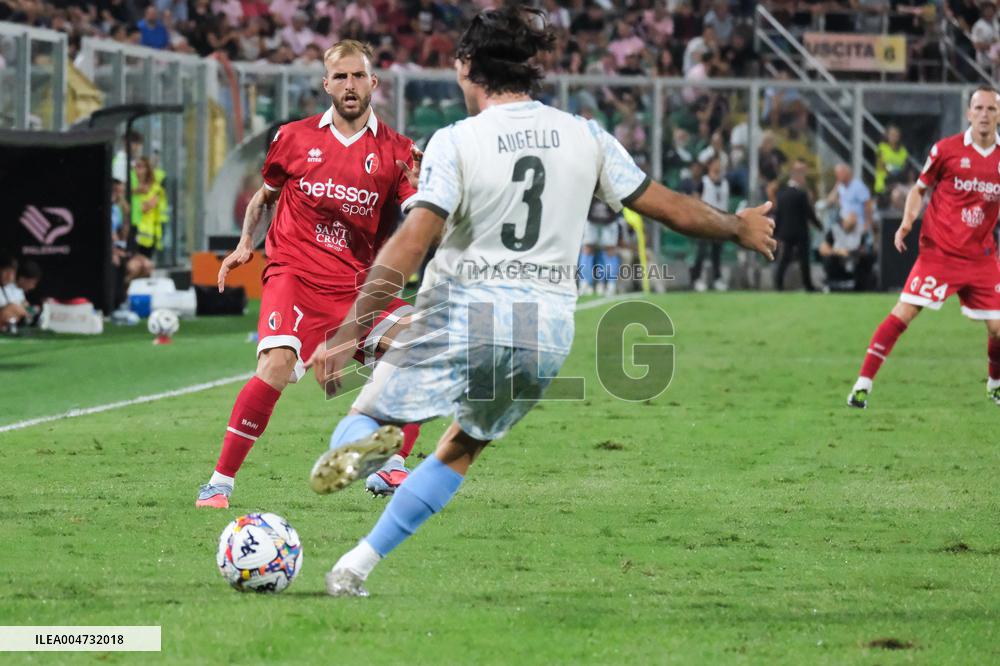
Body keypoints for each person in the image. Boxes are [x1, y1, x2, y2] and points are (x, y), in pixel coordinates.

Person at [306, 5, 776, 597]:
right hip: (544, 333)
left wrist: (354, 326)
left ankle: (368, 449)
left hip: (462, 310)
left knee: (368, 414)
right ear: (531, 68)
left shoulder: (456, 141)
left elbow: (413, 238)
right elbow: (666, 205)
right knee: (465, 443)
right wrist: (737, 227)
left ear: (467, 66)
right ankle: (356, 566)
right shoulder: (585, 135)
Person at [195, 39, 425, 508]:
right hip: (294, 276)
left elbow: (418, 211)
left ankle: (392, 465)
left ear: (373, 83)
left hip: (357, 284)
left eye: (358, 76)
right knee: (276, 367)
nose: (349, 85)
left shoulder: (398, 151)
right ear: (326, 85)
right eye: (340, 77)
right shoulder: (294, 138)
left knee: (419, 344)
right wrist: (244, 245)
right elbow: (264, 197)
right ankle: (220, 482)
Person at [847, 86, 1000, 408]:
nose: (984, 115)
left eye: (991, 109)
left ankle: (995, 383)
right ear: (968, 113)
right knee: (904, 312)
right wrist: (906, 222)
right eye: (979, 108)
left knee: (998, 329)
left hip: (980, 257)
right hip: (940, 254)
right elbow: (918, 190)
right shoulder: (946, 150)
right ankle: (862, 384)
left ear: (998, 115)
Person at [774, 159, 821, 291]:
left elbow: (779, 214)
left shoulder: (781, 194)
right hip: (800, 232)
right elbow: (808, 213)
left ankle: (778, 284)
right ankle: (808, 285)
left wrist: (776, 232)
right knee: (804, 261)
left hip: (786, 232)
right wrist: (818, 225)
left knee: (784, 259)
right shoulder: (801, 194)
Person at [690, 156, 729, 292]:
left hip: (720, 221)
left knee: (716, 253)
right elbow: (695, 199)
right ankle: (696, 278)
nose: (718, 166)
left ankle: (717, 278)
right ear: (710, 165)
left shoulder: (725, 183)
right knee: (702, 252)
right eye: (716, 163)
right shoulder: (704, 182)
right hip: (705, 221)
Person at [818, 211, 874, 291]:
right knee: (828, 259)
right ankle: (832, 282)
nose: (853, 226)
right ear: (844, 221)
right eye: (850, 224)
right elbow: (823, 249)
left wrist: (855, 253)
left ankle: (862, 284)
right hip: (837, 258)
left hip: (854, 259)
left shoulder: (860, 231)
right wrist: (837, 251)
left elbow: (864, 249)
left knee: (867, 258)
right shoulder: (834, 230)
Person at [579, 199, 622, 296]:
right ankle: (585, 284)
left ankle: (610, 285)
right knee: (587, 249)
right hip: (591, 220)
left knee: (610, 251)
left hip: (609, 220)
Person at [132, 157, 168, 260]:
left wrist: (135, 197)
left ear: (147, 170)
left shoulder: (155, 189)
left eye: (140, 167)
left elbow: (145, 207)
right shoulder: (132, 188)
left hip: (146, 235)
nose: (137, 170)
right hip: (131, 233)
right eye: (136, 167)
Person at [826, 163, 873, 234]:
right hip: (844, 224)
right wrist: (836, 187)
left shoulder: (858, 186)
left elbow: (868, 205)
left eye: (839, 173)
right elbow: (829, 202)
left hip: (858, 225)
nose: (837, 176)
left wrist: (867, 223)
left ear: (847, 173)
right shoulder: (840, 187)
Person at [874, 125, 909, 198]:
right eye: (892, 134)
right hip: (884, 183)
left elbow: (905, 167)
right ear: (887, 135)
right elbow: (881, 165)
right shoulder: (882, 147)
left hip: (899, 183)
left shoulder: (903, 150)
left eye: (896, 135)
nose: (894, 137)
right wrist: (895, 171)